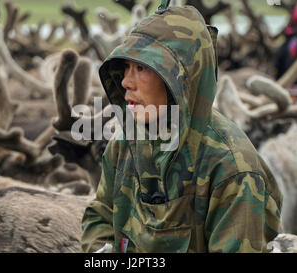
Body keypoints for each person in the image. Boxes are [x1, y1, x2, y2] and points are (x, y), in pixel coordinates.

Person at [81, 1, 282, 253]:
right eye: (126, 67)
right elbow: (100, 214)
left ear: (179, 78)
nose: (125, 82)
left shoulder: (232, 170)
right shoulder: (124, 144)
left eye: (141, 68)